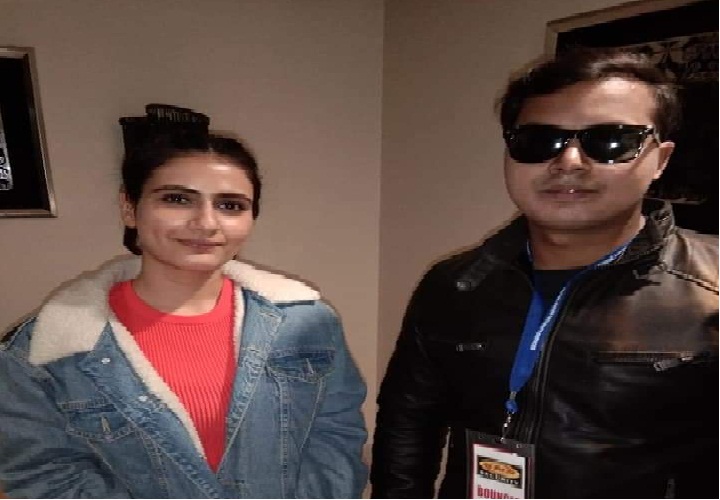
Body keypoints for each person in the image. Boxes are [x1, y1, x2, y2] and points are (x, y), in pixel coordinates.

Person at [371, 48, 718, 499]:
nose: (569, 161)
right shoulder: (455, 284)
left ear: (661, 159)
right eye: (539, 141)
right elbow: (407, 427)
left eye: (611, 140)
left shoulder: (710, 288)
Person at [0, 131, 368, 498]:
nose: (206, 223)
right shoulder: (44, 352)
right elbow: (45, 476)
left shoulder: (307, 324)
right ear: (129, 207)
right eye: (177, 199)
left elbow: (335, 438)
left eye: (231, 206)